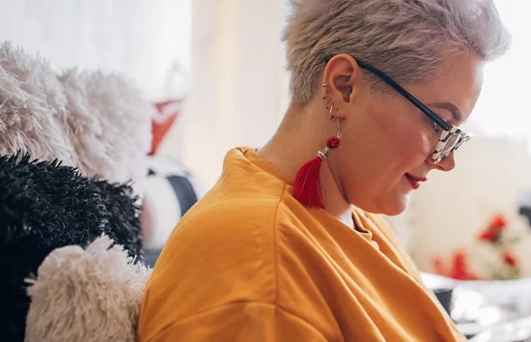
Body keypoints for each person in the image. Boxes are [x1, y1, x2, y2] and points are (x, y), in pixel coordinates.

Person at [137, 0, 510, 341]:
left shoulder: (347, 212)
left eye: (454, 135)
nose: (446, 161)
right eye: (439, 124)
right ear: (344, 87)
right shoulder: (260, 270)